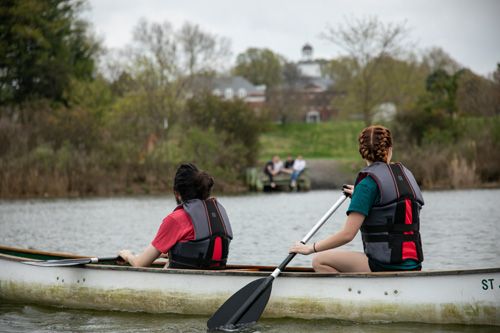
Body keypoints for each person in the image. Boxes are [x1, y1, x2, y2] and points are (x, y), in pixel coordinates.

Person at [289, 125, 424, 273]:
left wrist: (310, 248)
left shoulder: (366, 185)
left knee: (319, 261)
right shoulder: (406, 176)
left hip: (384, 264)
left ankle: (350, 295)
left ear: (362, 152)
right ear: (390, 149)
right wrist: (361, 195)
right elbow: (394, 207)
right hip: (414, 264)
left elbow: (347, 235)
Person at [118, 163, 233, 269]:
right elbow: (200, 249)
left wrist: (128, 256)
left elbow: (139, 264)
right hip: (213, 272)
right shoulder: (217, 214)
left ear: (177, 194)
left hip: (188, 279)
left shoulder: (175, 219)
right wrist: (169, 253)